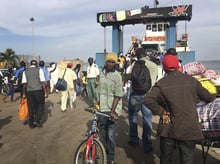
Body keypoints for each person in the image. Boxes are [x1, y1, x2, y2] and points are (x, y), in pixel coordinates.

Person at [144, 55, 215, 164]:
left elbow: (148, 99)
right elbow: (209, 97)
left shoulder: (161, 83)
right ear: (178, 66)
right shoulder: (191, 81)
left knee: (166, 159)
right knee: (187, 160)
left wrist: (162, 112)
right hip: (188, 128)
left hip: (168, 128)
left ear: (164, 68)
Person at [127, 47, 158, 153]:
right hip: (149, 96)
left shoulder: (133, 65)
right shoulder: (154, 65)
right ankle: (147, 144)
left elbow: (129, 78)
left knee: (133, 117)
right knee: (147, 119)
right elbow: (157, 80)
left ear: (137, 56)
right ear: (146, 54)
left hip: (135, 95)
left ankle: (134, 140)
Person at [96, 52, 123, 164]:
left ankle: (110, 157)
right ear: (106, 62)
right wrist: (96, 103)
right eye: (109, 61)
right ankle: (106, 148)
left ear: (115, 63)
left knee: (111, 135)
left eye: (113, 62)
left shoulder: (117, 76)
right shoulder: (101, 73)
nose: (111, 63)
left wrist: (112, 112)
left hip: (112, 109)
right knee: (103, 131)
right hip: (102, 108)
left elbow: (118, 95)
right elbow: (98, 89)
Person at [22, 60, 48, 129]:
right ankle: (37, 120)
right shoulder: (39, 70)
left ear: (30, 64)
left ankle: (31, 124)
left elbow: (24, 83)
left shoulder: (25, 71)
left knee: (30, 107)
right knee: (40, 105)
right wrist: (45, 92)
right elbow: (42, 82)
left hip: (29, 91)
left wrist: (24, 93)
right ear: (36, 64)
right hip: (38, 91)